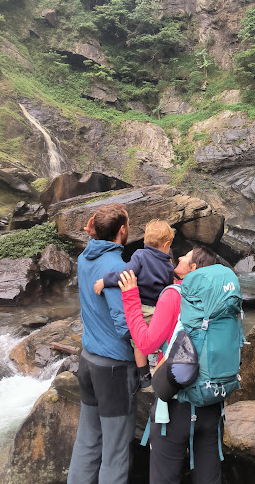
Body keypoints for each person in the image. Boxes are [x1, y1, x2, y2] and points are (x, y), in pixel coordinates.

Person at [119, 246, 222, 484]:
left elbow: (145, 345)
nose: (180, 256)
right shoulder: (221, 300)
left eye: (186, 256)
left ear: (193, 268)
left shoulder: (174, 295)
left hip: (176, 406)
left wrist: (131, 297)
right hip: (212, 404)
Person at [67, 204, 138, 484]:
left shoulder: (85, 257)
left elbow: (95, 248)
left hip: (88, 361)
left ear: (94, 231)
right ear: (122, 230)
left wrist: (91, 235)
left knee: (87, 441)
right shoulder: (117, 269)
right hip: (114, 370)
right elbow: (125, 326)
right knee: (115, 453)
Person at [94, 219, 175, 390]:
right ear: (167, 244)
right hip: (159, 311)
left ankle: (144, 375)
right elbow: (168, 290)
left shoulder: (140, 255)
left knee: (138, 342)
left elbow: (125, 275)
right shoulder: (168, 266)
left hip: (141, 308)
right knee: (162, 340)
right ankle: (161, 367)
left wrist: (105, 280)